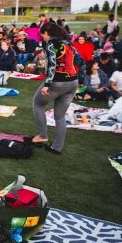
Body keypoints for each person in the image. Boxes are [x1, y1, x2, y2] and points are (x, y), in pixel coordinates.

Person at [28, 22, 79, 154]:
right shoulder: (69, 43)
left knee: (37, 104)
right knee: (60, 116)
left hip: (58, 81)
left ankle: (43, 136)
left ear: (47, 33)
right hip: (73, 81)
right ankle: (57, 147)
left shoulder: (52, 43)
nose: (42, 38)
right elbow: (79, 61)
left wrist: (47, 84)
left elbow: (52, 65)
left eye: (42, 35)